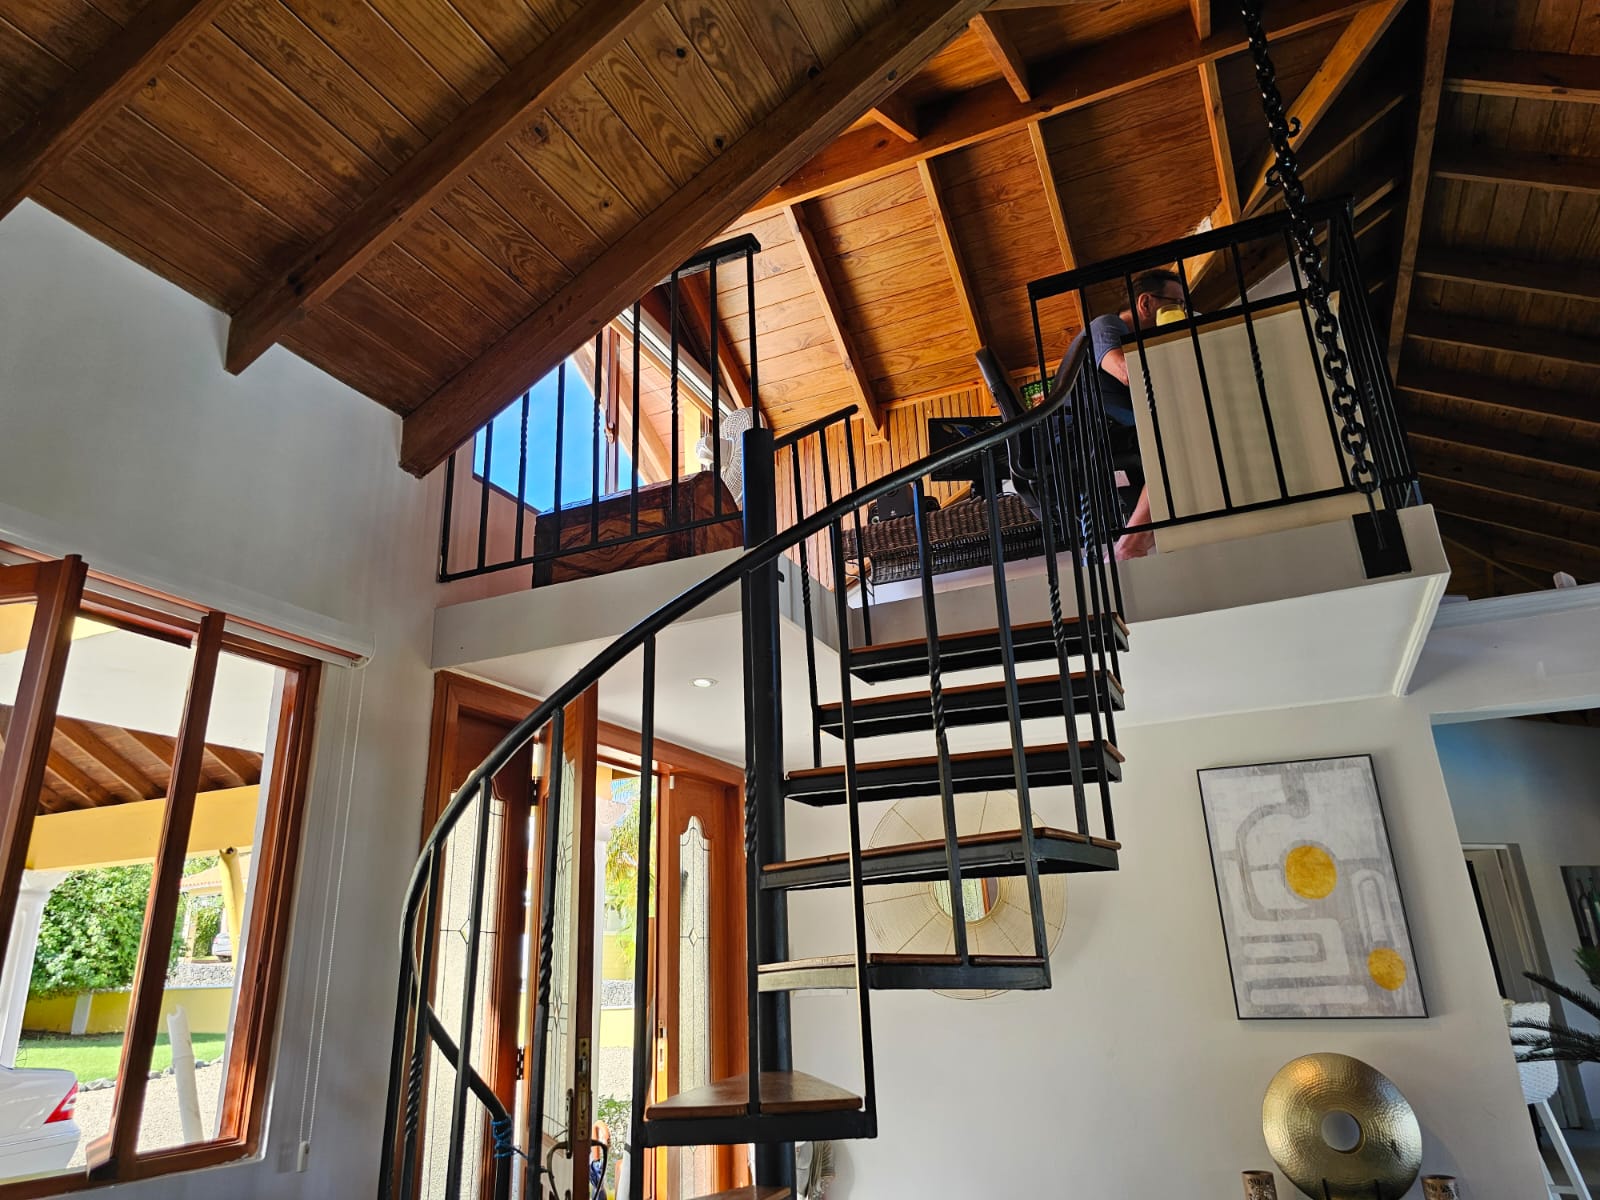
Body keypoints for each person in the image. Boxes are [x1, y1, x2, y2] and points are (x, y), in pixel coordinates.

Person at [1056, 267, 1188, 560]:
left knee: (1181, 436)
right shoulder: (1109, 326)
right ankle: (1130, 546)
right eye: (1176, 304)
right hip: (1084, 432)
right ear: (1146, 303)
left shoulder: (1127, 336)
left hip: (1109, 429)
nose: (1182, 311)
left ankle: (1135, 542)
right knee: (1179, 440)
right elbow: (1127, 372)